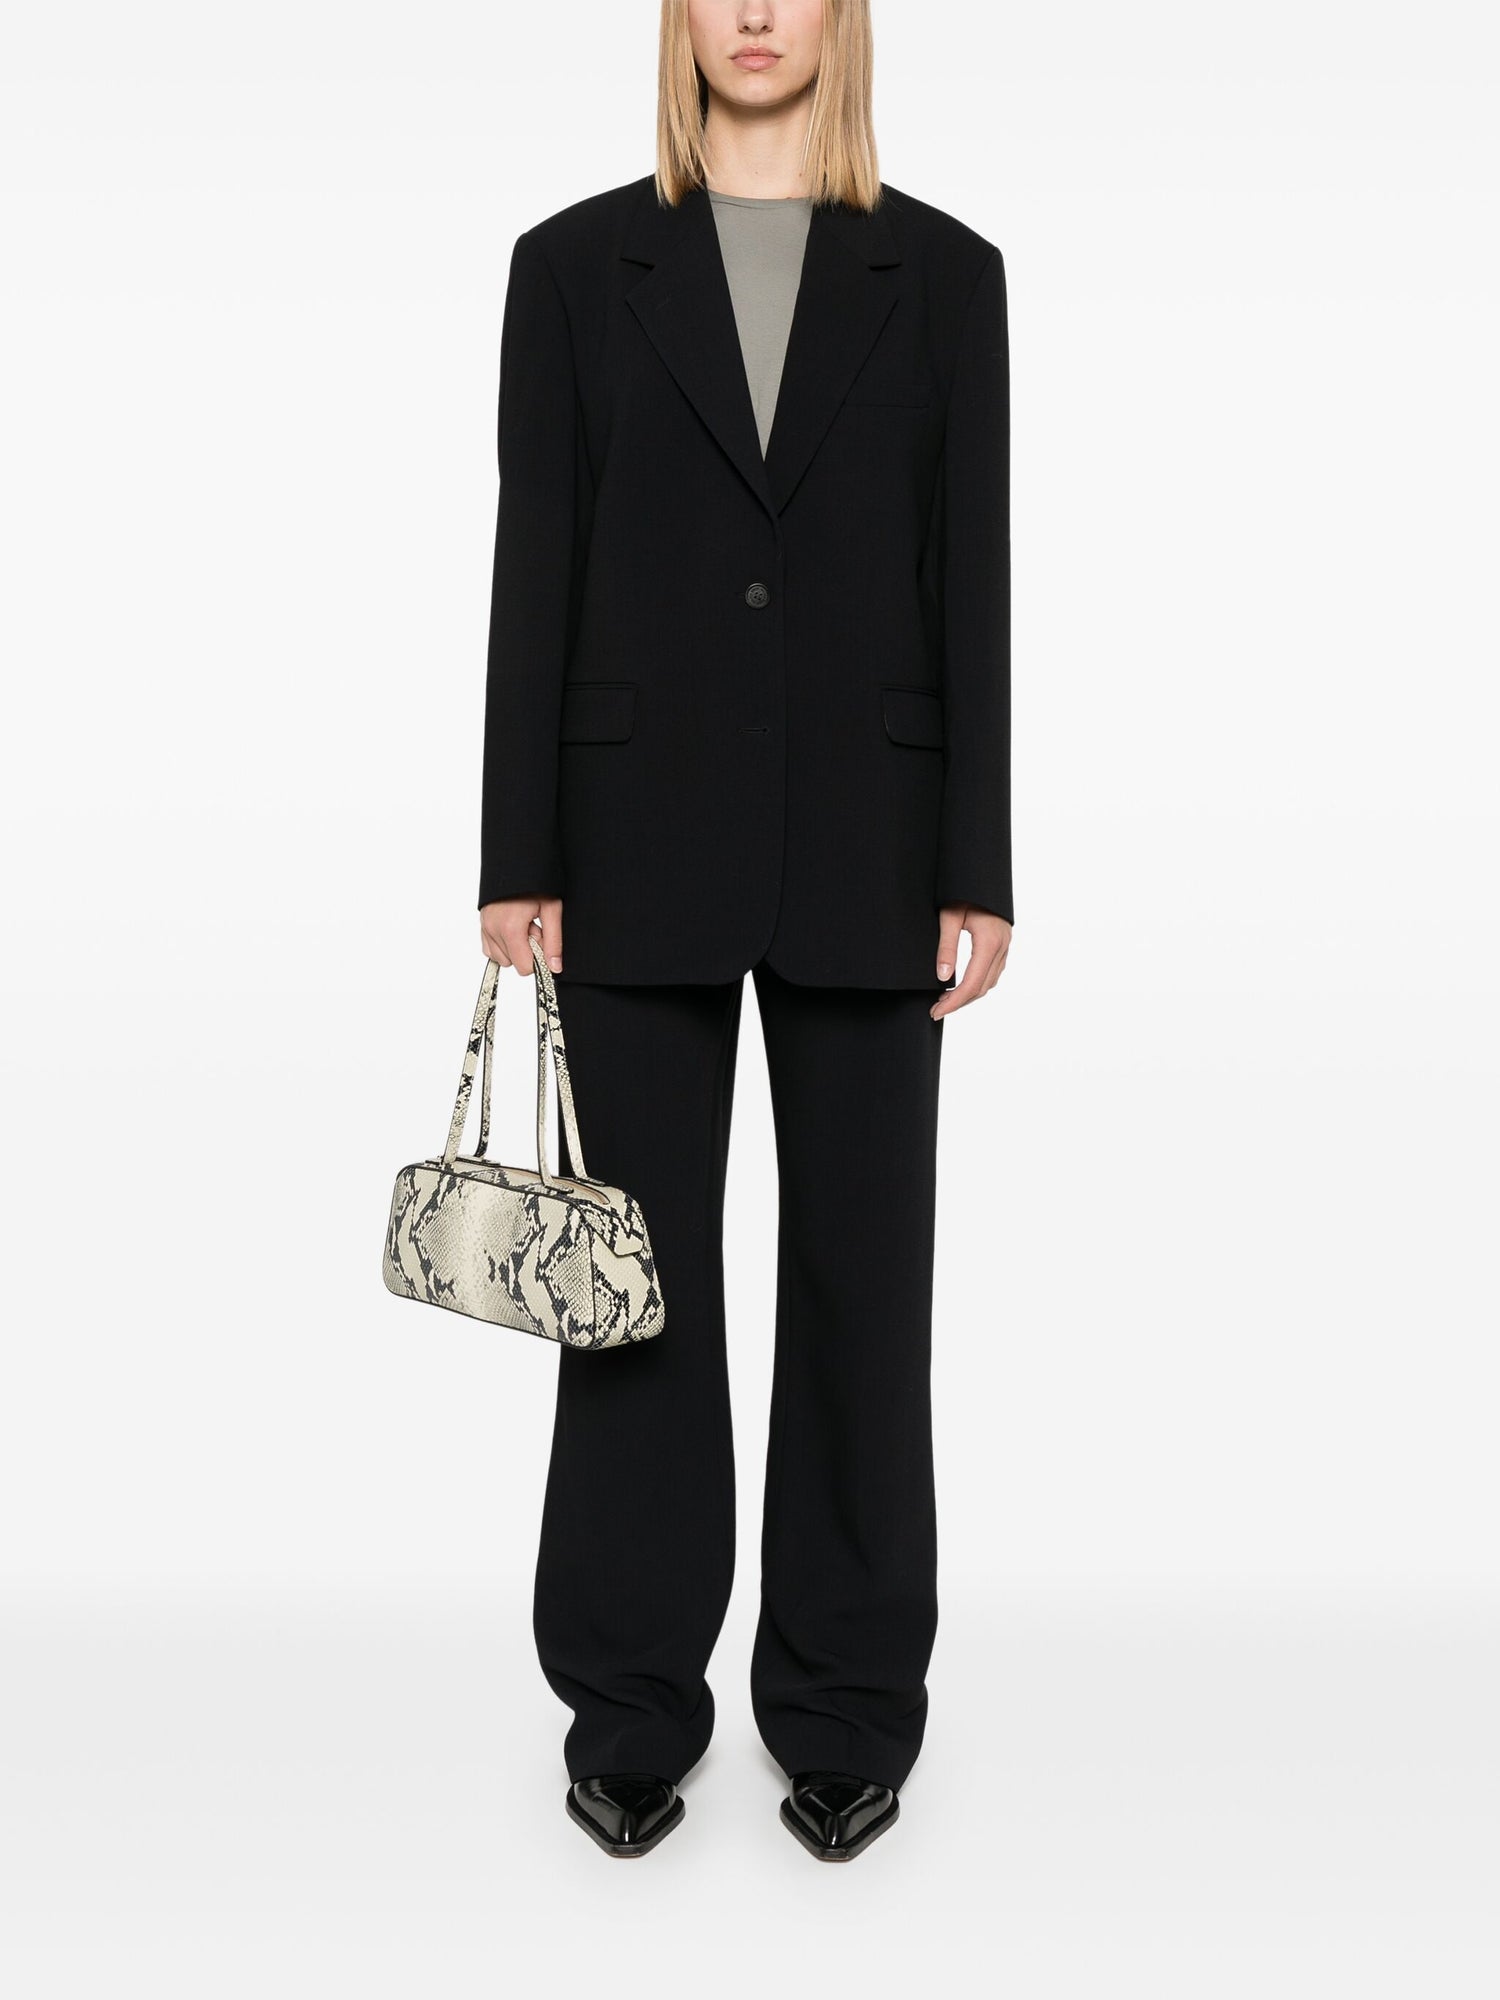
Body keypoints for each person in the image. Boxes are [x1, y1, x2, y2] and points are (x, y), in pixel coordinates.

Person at [476, 0, 1011, 1863]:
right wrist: (516, 850)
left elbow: (973, 574)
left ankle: (848, 1707)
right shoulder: (571, 268)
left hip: (875, 842)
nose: (756, 12)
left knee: (866, 1289)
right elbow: (534, 562)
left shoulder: (947, 276)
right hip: (631, 842)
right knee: (631, 1296)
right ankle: (630, 1707)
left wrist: (978, 859)